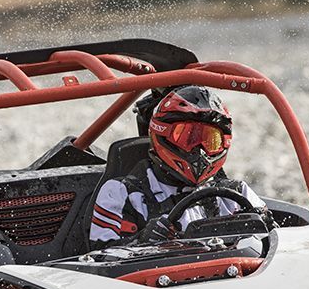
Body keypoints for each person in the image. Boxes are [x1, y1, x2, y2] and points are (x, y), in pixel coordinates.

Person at [89, 86, 265, 247]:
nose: (199, 151)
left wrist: (265, 224)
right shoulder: (121, 192)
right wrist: (140, 242)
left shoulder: (238, 193)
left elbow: (275, 246)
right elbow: (97, 258)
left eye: (210, 141)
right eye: (188, 137)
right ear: (162, 133)